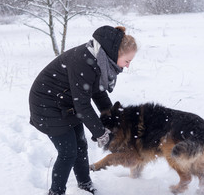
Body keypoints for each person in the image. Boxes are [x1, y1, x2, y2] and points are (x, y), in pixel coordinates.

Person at [29, 25, 138, 195]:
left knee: (81, 145)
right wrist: (101, 133)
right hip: (47, 105)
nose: (128, 66)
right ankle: (56, 192)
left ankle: (85, 184)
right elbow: (83, 105)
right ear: (115, 53)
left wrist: (113, 119)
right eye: (127, 61)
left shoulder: (98, 59)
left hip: (66, 104)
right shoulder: (84, 61)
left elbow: (97, 92)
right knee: (68, 152)